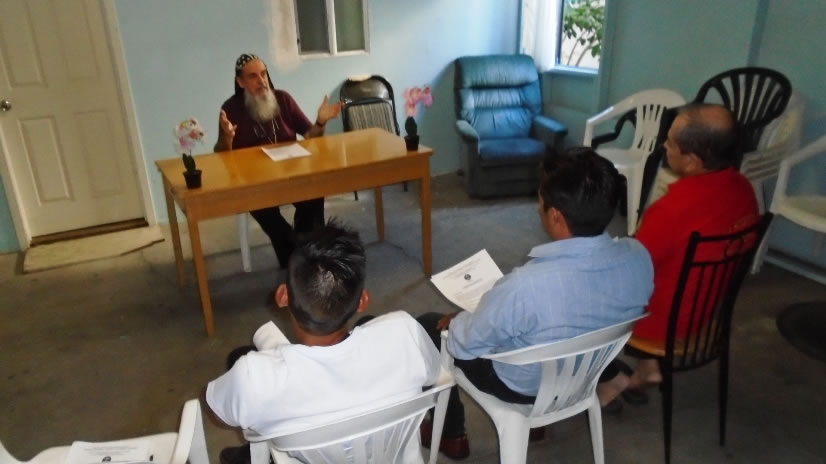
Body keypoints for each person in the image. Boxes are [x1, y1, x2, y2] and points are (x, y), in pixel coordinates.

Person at [417, 149, 654, 460]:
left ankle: (452, 434)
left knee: (429, 326)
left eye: (540, 203)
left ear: (555, 216)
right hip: (585, 374)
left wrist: (461, 320)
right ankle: (537, 427)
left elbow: (463, 346)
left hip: (521, 387)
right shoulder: (639, 256)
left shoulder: (526, 285)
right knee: (525, 325)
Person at [205, 219, 440, 464]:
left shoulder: (255, 377)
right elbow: (433, 375)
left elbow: (218, 414)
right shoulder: (405, 333)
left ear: (283, 296)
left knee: (240, 359)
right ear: (362, 301)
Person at [598, 103, 760, 405]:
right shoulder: (744, 189)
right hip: (707, 313)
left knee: (581, 291)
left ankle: (608, 381)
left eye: (670, 142)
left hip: (663, 323)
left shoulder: (671, 211)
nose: (664, 145)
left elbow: (631, 272)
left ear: (692, 160)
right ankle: (648, 369)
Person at [215, 53, 342, 268]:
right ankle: (295, 253)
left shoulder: (282, 99)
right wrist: (226, 138)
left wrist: (321, 121)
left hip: (290, 172)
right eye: (253, 76)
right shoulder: (230, 109)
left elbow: (311, 136)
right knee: (261, 206)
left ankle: (307, 249)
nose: (261, 81)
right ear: (240, 82)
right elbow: (221, 155)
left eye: (264, 74)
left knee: (314, 191)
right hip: (255, 180)